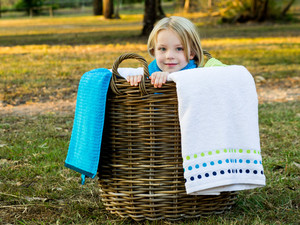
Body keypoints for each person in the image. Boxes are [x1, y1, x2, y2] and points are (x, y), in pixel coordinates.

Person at [127, 16, 204, 88]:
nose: (169, 56)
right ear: (154, 51)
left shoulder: (197, 76)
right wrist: (137, 80)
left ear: (192, 53)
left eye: (179, 49)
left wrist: (168, 77)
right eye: (163, 49)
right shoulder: (151, 70)